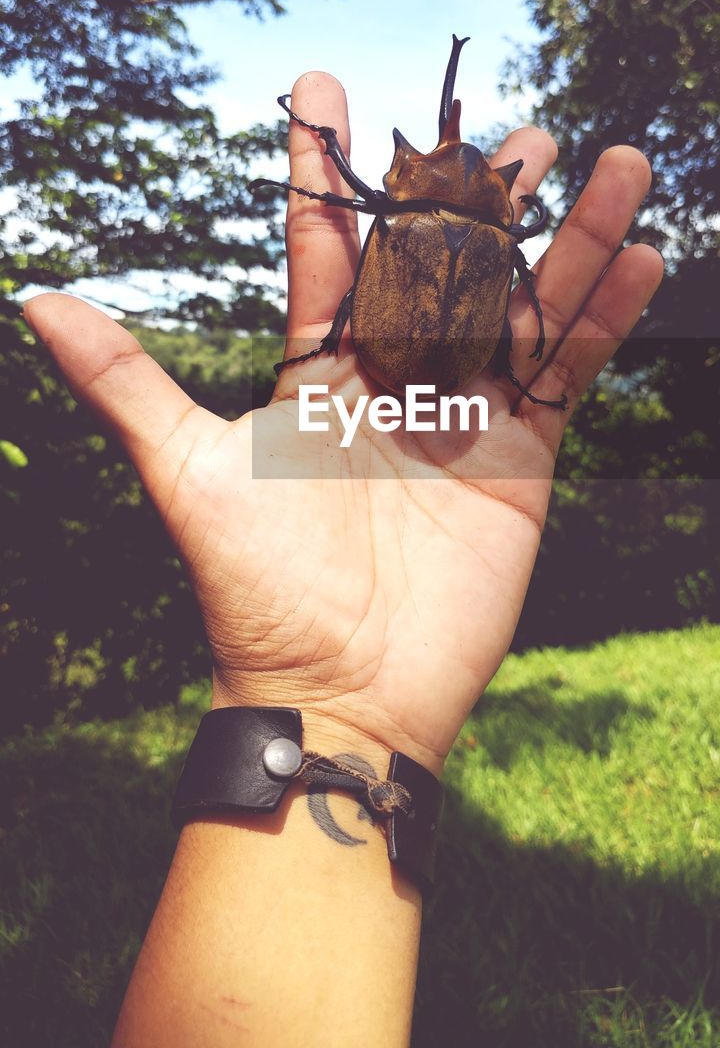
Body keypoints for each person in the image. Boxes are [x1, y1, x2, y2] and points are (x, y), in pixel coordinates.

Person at [24, 69, 663, 1047]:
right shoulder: (500, 244)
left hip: (407, 357)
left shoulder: (396, 213)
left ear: (404, 177)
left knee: (337, 192)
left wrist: (324, 153)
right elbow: (501, 278)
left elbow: (340, 193)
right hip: (454, 369)